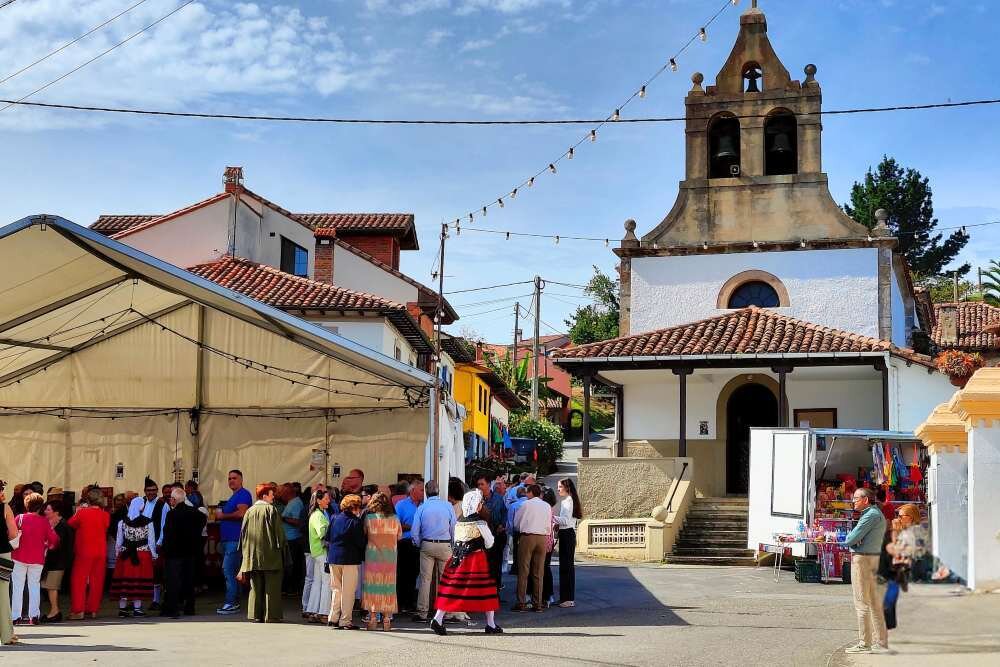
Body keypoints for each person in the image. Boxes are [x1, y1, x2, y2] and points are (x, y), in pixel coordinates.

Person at [428, 489, 503, 636]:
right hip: (476, 560)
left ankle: (437, 618)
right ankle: (491, 624)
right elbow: (489, 542)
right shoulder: (480, 523)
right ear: (476, 505)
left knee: (452, 589)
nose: (481, 504)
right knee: (486, 591)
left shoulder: (459, 522)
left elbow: (455, 540)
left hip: (457, 559)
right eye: (480, 502)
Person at [842, 488, 890, 654]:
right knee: (875, 602)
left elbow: (849, 539)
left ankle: (865, 643)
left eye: (856, 498)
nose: (853, 501)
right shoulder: (875, 514)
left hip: (863, 559)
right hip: (874, 558)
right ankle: (881, 641)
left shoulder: (870, 515)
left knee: (862, 602)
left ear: (866, 500)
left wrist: (853, 543)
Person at [237, 482, 287, 623]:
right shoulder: (271, 510)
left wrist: (245, 554)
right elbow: (279, 535)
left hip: (252, 555)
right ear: (265, 495)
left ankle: (255, 615)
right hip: (271, 556)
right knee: (272, 587)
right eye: (272, 495)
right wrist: (283, 550)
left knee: (255, 587)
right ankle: (271, 615)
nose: (273, 498)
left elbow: (243, 534)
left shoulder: (249, 511)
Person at [11, 493, 59, 625]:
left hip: (18, 556)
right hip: (37, 558)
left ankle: (15, 616)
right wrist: (47, 545)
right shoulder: (43, 521)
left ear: (26, 505)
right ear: (40, 506)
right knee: (34, 586)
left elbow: (10, 534)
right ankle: (34, 615)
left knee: (17, 586)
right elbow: (54, 539)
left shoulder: (19, 518)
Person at [412, 480, 456, 623]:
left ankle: (422, 612)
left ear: (426, 492)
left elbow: (414, 531)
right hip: (444, 545)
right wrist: (452, 544)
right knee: (446, 580)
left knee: (425, 580)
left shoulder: (422, 507)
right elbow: (454, 527)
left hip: (427, 544)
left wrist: (419, 543)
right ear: (438, 491)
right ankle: (447, 612)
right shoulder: (448, 506)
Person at [160, 487, 207, 618]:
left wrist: (165, 550)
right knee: (189, 580)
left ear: (174, 500)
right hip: (191, 552)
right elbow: (203, 521)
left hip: (174, 553)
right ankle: (190, 607)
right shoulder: (196, 513)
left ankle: (173, 608)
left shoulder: (172, 514)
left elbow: (167, 534)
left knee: (173, 581)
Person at [110, 496, 157, 617]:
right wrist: (154, 554)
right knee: (138, 581)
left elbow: (119, 541)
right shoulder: (148, 522)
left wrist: (117, 553)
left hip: (125, 555)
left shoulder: (122, 522)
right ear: (142, 507)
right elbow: (151, 541)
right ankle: (137, 609)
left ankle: (122, 609)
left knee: (124, 582)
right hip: (142, 554)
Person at [67, 488, 110, 620]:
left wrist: (78, 510)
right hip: (101, 550)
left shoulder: (82, 513)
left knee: (79, 580)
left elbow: (71, 523)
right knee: (96, 580)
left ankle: (78, 610)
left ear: (88, 499)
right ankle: (92, 610)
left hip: (84, 550)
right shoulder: (105, 515)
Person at [362, 492, 401, 631]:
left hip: (373, 557)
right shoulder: (395, 519)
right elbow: (400, 536)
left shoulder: (369, 519)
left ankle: (372, 619)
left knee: (373, 587)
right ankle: (386, 620)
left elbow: (365, 533)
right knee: (388, 588)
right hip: (390, 558)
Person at [326, 494, 366, 630]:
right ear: (354, 507)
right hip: (349, 559)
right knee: (348, 591)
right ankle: (345, 620)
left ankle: (333, 617)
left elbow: (328, 537)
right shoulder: (355, 522)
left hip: (333, 557)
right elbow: (360, 542)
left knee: (336, 589)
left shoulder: (334, 518)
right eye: (358, 506)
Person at [216, 469, 252, 615]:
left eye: (234, 478)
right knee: (234, 571)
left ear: (241, 479)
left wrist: (223, 515)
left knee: (228, 570)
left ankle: (231, 602)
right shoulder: (235, 496)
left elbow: (242, 513)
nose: (231, 481)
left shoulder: (243, 494)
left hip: (234, 540)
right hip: (229, 540)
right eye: (229, 478)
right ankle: (235, 601)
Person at [513, 484, 551, 612]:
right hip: (542, 537)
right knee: (538, 572)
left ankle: (521, 602)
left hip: (528, 536)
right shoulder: (546, 506)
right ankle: (537, 604)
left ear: (530, 493)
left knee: (524, 570)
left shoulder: (525, 504)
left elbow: (516, 522)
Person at [394, 480, 424, 613]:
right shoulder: (402, 505)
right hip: (405, 543)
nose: (424, 493)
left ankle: (411, 602)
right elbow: (396, 523)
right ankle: (401, 602)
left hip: (419, 543)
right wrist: (413, 527)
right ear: (413, 491)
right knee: (403, 574)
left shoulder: (424, 505)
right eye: (421, 490)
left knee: (414, 574)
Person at [475, 474, 507, 597]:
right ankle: (483, 591)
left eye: (482, 484)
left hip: (497, 535)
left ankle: (495, 590)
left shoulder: (498, 498)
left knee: (496, 564)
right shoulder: (477, 499)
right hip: (482, 536)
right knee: (484, 564)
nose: (480, 487)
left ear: (489, 485)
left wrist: (502, 525)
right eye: (478, 485)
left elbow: (504, 513)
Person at [40, 499, 72, 623]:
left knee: (52, 586)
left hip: (58, 561)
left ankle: (55, 611)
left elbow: (58, 544)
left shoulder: (63, 525)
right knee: (49, 586)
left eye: (48, 509)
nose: (45, 511)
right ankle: (54, 611)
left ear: (56, 512)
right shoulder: (51, 523)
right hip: (51, 561)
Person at [555, 477, 583, 608]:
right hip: (567, 534)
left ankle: (568, 598)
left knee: (566, 567)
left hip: (567, 533)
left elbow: (565, 521)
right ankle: (565, 598)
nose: (558, 489)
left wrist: (551, 517)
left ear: (566, 487)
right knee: (566, 567)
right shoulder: (569, 500)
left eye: (560, 487)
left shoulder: (568, 502)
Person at [305, 490, 332, 622]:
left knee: (317, 582)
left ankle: (313, 610)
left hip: (316, 552)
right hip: (323, 552)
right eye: (326, 498)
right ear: (319, 501)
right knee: (326, 582)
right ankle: (324, 612)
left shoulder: (316, 514)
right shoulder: (319, 516)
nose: (329, 500)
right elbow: (323, 534)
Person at [1, 483, 20, 645]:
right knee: (2, 595)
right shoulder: (5, 508)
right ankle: (7, 635)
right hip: (2, 553)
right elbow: (13, 533)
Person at [279, 484, 305, 597]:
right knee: (290, 564)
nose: (280, 495)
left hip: (293, 539)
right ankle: (290, 587)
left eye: (281, 493)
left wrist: (283, 518)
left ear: (287, 493)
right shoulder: (292, 502)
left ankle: (291, 588)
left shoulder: (295, 503)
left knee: (291, 565)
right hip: (290, 538)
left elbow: (298, 521)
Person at [106, 493, 126, 590]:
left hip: (122, 540)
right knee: (111, 564)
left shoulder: (127, 512)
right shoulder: (111, 513)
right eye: (117, 500)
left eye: (121, 500)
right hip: (112, 539)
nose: (119, 502)